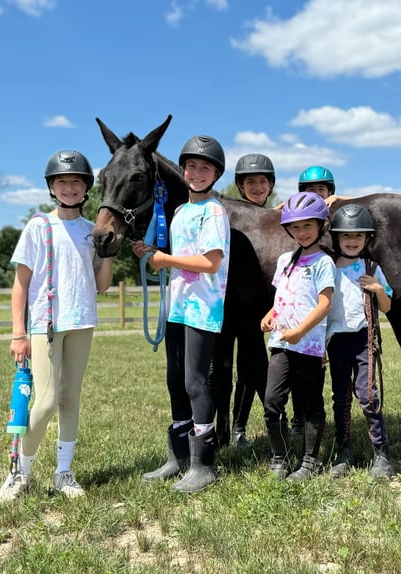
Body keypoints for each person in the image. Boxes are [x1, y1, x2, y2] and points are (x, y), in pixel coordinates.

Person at [0, 150, 115, 502]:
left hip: (82, 322)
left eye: (76, 181)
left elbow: (102, 284)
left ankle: (64, 472)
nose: (69, 187)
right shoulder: (38, 226)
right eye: (62, 181)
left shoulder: (91, 231)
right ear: (52, 186)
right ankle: (20, 472)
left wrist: (108, 253)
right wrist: (18, 333)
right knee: (44, 401)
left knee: (70, 398)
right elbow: (21, 284)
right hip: (45, 323)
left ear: (86, 188)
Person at [132, 135, 230, 493]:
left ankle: (204, 465)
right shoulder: (179, 212)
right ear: (183, 170)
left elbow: (210, 261)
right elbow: (181, 258)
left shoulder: (214, 211)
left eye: (206, 167)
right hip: (178, 306)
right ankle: (179, 456)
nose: (197, 172)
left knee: (194, 382)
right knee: (175, 380)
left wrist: (166, 259)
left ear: (216, 174)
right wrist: (151, 255)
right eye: (192, 166)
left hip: (203, 309)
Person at [261, 191, 335, 481]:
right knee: (272, 402)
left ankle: (309, 462)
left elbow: (325, 303)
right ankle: (280, 458)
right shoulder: (284, 261)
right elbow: (282, 296)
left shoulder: (323, 263)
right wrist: (270, 314)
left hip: (309, 345)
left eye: (307, 225)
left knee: (309, 403)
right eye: (295, 226)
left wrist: (301, 331)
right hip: (281, 342)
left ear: (320, 226)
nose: (301, 232)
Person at [326, 204, 395, 479]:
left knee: (368, 395)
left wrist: (378, 290)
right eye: (346, 236)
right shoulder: (327, 267)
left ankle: (382, 453)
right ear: (337, 239)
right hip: (336, 341)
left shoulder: (371, 267)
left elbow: (387, 308)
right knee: (340, 398)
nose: (352, 241)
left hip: (364, 339)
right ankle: (344, 451)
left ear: (367, 239)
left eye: (358, 236)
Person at [211, 154, 274, 448]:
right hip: (228, 307)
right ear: (240, 186)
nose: (258, 187)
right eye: (251, 181)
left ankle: (239, 427)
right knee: (221, 369)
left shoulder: (279, 218)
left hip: (258, 310)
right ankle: (222, 428)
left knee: (252, 369)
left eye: (263, 181)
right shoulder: (226, 216)